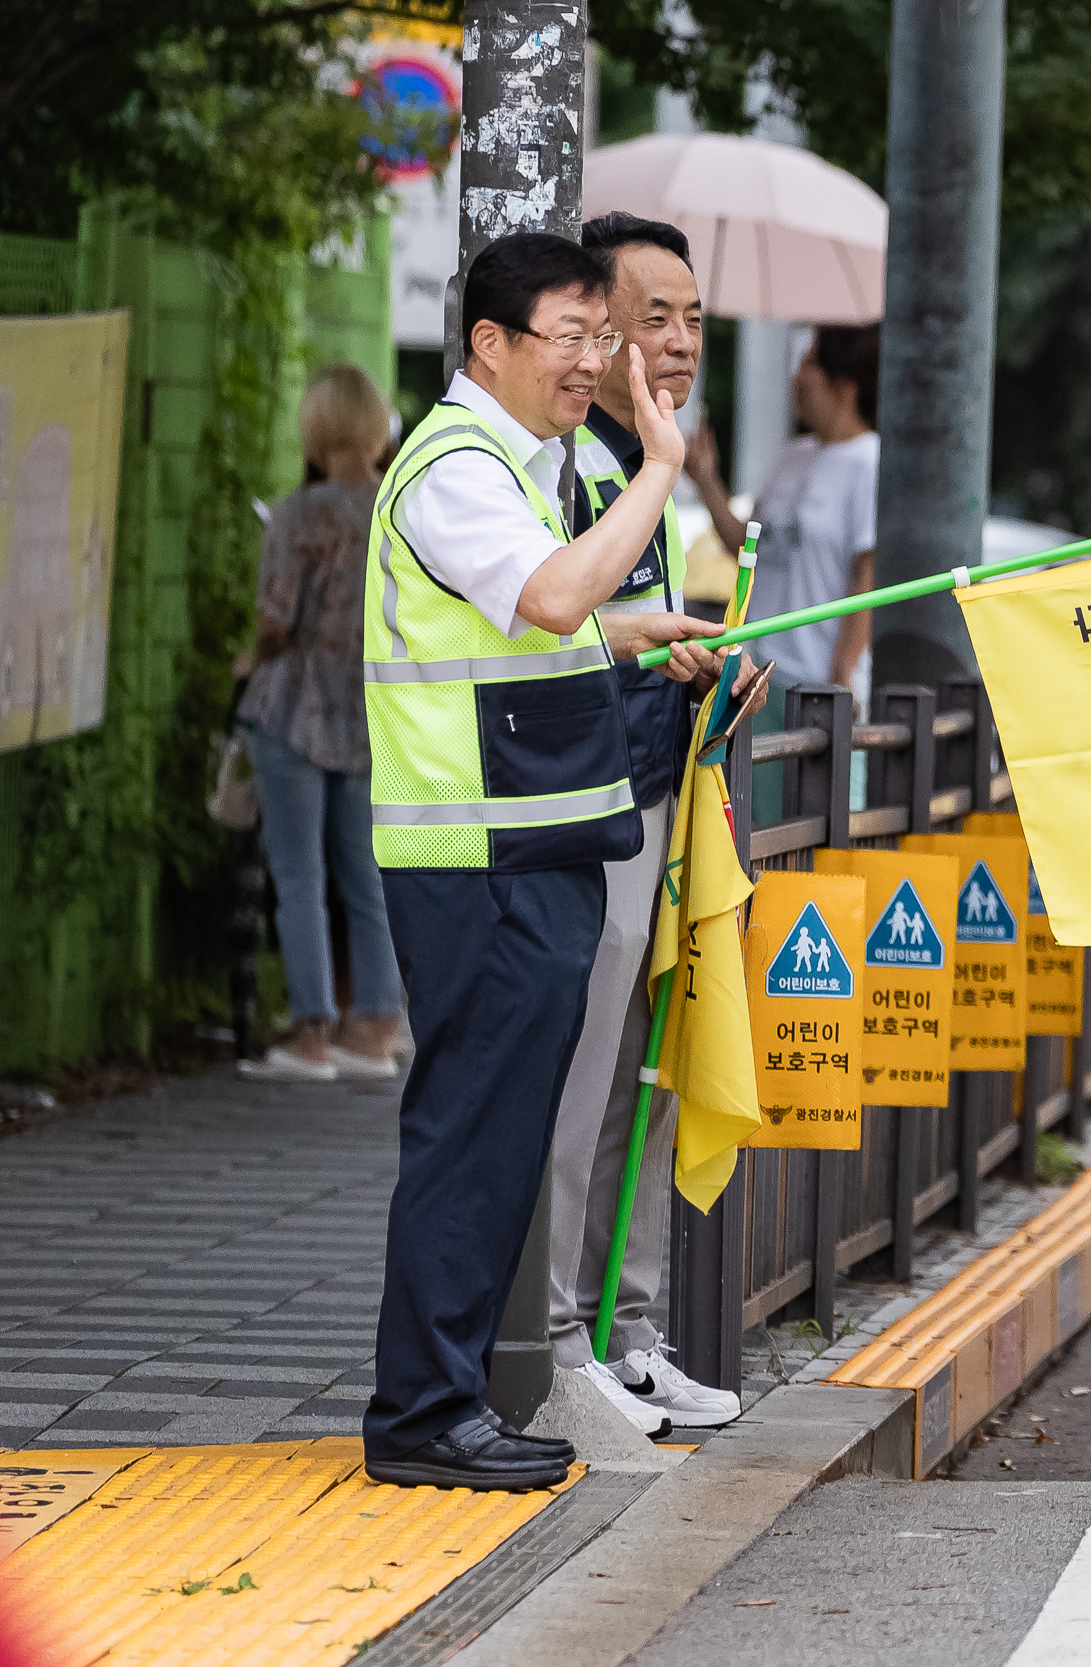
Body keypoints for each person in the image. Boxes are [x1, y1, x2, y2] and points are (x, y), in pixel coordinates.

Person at [360, 232, 737, 1492]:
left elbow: (555, 624)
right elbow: (554, 599)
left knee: (499, 1130)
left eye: (600, 335)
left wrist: (639, 634)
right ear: (491, 345)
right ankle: (421, 1410)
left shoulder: (532, 463)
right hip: (476, 853)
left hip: (533, 840)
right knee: (472, 1130)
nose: (597, 361)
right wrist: (666, 470)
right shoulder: (459, 466)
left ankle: (445, 1398)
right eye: (573, 337)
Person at [544, 209, 752, 1439]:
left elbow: (628, 646)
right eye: (651, 317)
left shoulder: (646, 467)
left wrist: (712, 675)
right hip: (596, 822)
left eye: (691, 319)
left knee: (640, 1083)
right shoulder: (575, 470)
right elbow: (555, 638)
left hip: (658, 807)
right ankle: (564, 1345)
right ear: (594, 331)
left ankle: (625, 1337)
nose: (676, 343)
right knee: (584, 1088)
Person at [234, 365, 405, 1084]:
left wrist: (247, 659)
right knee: (365, 874)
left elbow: (277, 621)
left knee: (299, 872)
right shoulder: (402, 511)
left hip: (295, 707)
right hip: (367, 711)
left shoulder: (299, 515)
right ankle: (377, 1024)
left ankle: (310, 1032)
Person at [683, 324, 880, 706]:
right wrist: (706, 480)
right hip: (757, 671)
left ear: (845, 385)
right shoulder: (793, 455)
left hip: (816, 682)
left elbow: (866, 576)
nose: (796, 378)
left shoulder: (869, 461)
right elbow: (745, 546)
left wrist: (841, 678)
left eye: (809, 365)